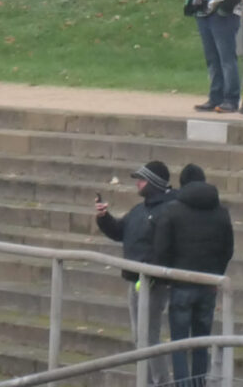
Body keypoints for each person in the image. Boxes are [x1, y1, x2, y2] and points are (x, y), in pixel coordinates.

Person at [152, 163, 235, 387]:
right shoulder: (221, 212)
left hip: (181, 285)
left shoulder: (172, 210)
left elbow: (161, 249)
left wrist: (166, 277)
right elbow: (228, 249)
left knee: (178, 343)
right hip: (209, 284)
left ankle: (182, 384)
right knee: (202, 341)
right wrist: (217, 274)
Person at [95, 160, 174, 385]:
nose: (137, 183)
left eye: (142, 179)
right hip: (135, 280)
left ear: (155, 183)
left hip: (153, 284)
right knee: (139, 337)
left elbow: (165, 248)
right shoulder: (140, 209)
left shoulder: (167, 210)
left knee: (148, 337)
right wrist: (104, 218)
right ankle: (146, 381)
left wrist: (151, 275)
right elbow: (120, 231)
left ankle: (160, 382)